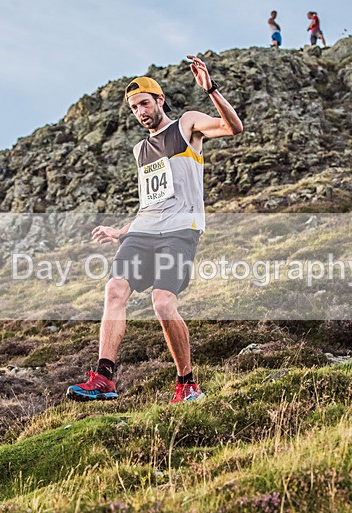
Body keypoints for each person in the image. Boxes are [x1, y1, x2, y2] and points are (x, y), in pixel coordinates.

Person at [66, 56, 243, 404]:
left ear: (159, 100)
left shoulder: (187, 125)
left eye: (144, 103)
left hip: (180, 231)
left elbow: (233, 128)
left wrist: (211, 89)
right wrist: (122, 231)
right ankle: (103, 377)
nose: (140, 112)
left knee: (162, 304)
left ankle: (187, 383)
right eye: (134, 108)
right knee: (115, 289)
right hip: (144, 231)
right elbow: (152, 202)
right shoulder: (140, 150)